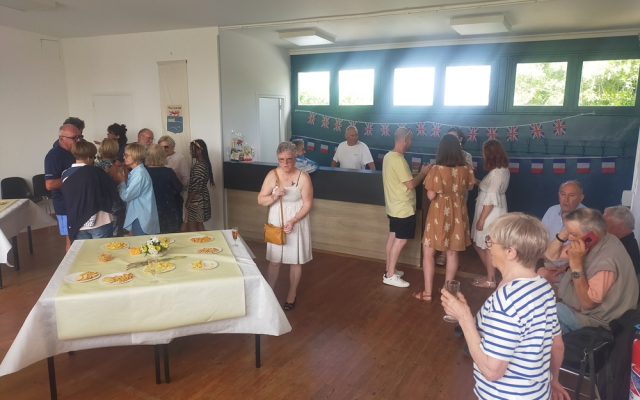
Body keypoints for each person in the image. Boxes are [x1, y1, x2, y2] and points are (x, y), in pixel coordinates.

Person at [441, 213, 569, 400]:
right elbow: (557, 345)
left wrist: (464, 318)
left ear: (510, 252)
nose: (489, 247)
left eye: (491, 242)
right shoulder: (543, 286)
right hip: (537, 394)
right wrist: (554, 380)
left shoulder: (507, 301)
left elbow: (492, 371)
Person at [545, 208, 638, 332]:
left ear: (592, 234)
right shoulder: (594, 240)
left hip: (599, 320)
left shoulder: (607, 260)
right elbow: (551, 255)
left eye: (573, 234)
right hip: (578, 307)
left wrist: (576, 266)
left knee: (546, 316)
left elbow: (588, 304)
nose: (570, 238)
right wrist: (564, 232)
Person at [414, 134, 475, 301]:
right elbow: (470, 186)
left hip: (439, 212)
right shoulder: (467, 168)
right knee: (452, 253)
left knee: (429, 251)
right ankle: (447, 293)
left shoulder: (436, 170)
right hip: (458, 211)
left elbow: (431, 195)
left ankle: (427, 293)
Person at [257, 142, 313, 311]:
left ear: (296, 158)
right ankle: (269, 292)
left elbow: (307, 205)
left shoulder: (304, 177)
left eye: (289, 159)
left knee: (295, 261)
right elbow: (260, 200)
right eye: (281, 159)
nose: (286, 163)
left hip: (297, 221)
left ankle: (292, 294)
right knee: (274, 261)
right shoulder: (272, 175)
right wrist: (274, 196)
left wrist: (293, 220)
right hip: (277, 221)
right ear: (278, 159)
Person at [382, 127, 430, 288]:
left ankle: (389, 270)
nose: (412, 142)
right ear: (405, 140)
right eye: (411, 140)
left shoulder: (388, 156)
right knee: (400, 240)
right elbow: (410, 185)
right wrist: (423, 173)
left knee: (392, 237)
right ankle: (390, 275)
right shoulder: (399, 160)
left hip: (393, 206)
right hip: (403, 207)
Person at [470, 140, 510, 289]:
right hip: (491, 212)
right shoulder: (501, 170)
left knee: (487, 246)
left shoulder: (496, 174)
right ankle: (490, 274)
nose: (482, 155)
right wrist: (474, 180)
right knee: (479, 244)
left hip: (490, 214)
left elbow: (491, 198)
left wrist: (481, 219)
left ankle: (490, 280)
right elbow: (488, 188)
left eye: (484, 152)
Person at [61, 141, 118, 241]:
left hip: (77, 222)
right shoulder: (96, 172)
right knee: (102, 249)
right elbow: (111, 190)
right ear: (88, 158)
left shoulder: (65, 174)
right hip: (100, 221)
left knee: (83, 250)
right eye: (93, 157)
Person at [435, 127, 473, 267]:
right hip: (443, 197)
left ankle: (453, 253)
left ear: (460, 139)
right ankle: (443, 253)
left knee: (455, 225)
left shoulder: (466, 156)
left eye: (454, 137)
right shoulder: (442, 154)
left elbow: (469, 180)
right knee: (444, 224)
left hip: (459, 196)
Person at [538, 181, 586, 283]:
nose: (566, 199)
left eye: (571, 195)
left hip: (571, 270)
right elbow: (540, 238)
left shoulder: (587, 218)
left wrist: (566, 266)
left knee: (542, 276)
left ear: (581, 198)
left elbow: (588, 254)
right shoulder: (552, 210)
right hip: (546, 262)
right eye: (563, 194)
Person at [45, 124, 81, 251]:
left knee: (81, 239)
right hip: (65, 205)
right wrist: (77, 178)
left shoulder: (75, 152)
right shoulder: (54, 156)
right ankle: (70, 264)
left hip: (78, 202)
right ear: (61, 139)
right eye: (74, 138)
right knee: (71, 240)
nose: (78, 140)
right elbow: (50, 184)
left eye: (80, 136)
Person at [115, 143, 160, 236]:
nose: (123, 157)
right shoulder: (137, 172)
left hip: (140, 217)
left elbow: (126, 196)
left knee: (140, 244)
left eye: (126, 155)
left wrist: (122, 182)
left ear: (135, 156)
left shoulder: (139, 175)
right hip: (138, 215)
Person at [146, 144, 183, 234]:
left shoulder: (143, 172)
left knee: (152, 238)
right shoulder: (168, 172)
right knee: (169, 237)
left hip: (149, 208)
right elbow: (179, 187)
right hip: (167, 207)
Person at [94, 139, 128, 237]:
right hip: (114, 203)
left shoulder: (94, 165)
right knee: (116, 234)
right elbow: (123, 183)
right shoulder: (115, 168)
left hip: (98, 202)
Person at [185, 139, 214, 232]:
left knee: (191, 226)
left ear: (199, 150)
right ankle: (204, 240)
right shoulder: (204, 164)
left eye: (191, 149)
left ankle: (199, 241)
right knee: (199, 224)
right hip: (202, 198)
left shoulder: (199, 166)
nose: (190, 152)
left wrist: (189, 200)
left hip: (197, 200)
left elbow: (196, 187)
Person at [604, 205, 640, 278]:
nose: (601, 228)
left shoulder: (624, 251)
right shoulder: (623, 244)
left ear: (621, 227)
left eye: (605, 224)